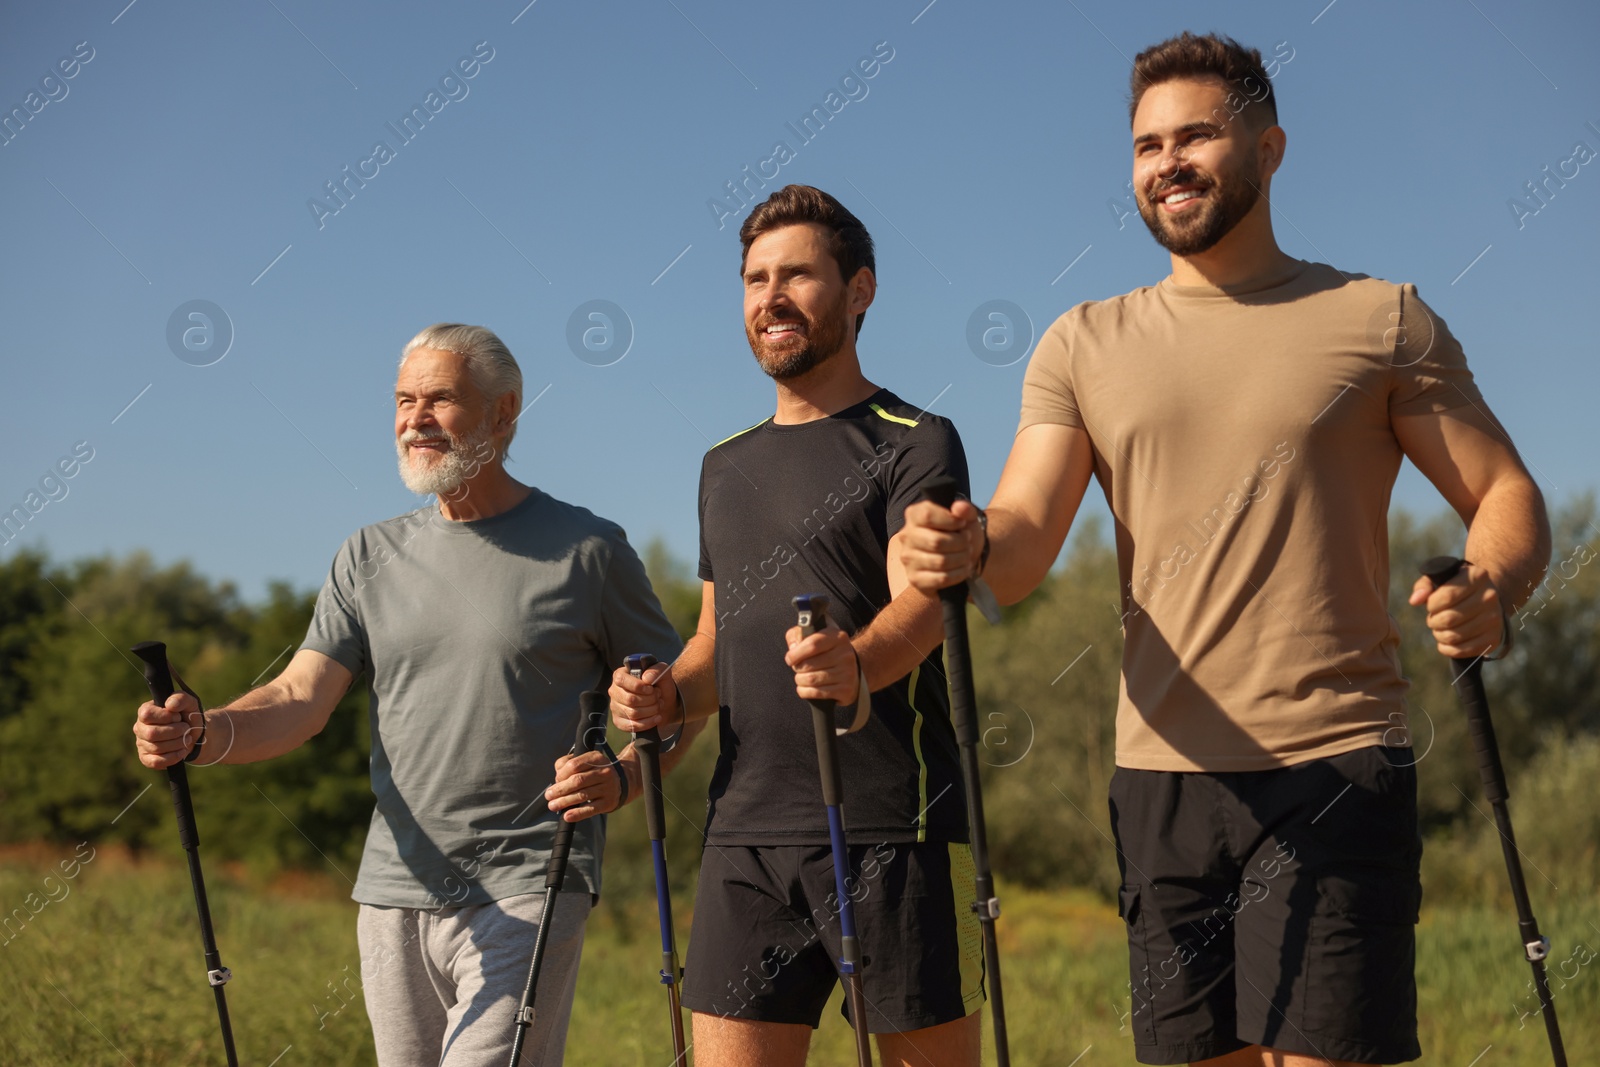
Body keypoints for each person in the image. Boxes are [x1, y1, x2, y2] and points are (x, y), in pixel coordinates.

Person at [899, 32, 1550, 1067]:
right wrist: (964, 540)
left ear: (1269, 146)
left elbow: (1503, 490)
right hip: (1160, 779)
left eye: (1196, 133)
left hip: (1333, 760)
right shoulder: (1083, 341)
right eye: (1147, 143)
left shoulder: (1378, 320)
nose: (1168, 160)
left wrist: (1492, 584)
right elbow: (1020, 548)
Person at [132, 323, 696, 1066]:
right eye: (403, 400)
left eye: (440, 399)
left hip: (531, 880)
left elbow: (679, 699)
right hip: (393, 891)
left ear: (504, 411)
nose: (415, 418)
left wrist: (623, 778)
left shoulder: (589, 550)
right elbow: (301, 696)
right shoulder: (368, 554)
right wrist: (203, 731)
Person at [609, 184, 985, 1067]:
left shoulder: (915, 439)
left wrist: (858, 662)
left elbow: (921, 605)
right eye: (753, 279)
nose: (769, 297)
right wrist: (664, 691)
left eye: (796, 275)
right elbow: (714, 651)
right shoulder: (722, 465)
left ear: (860, 290)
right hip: (743, 831)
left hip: (895, 827)